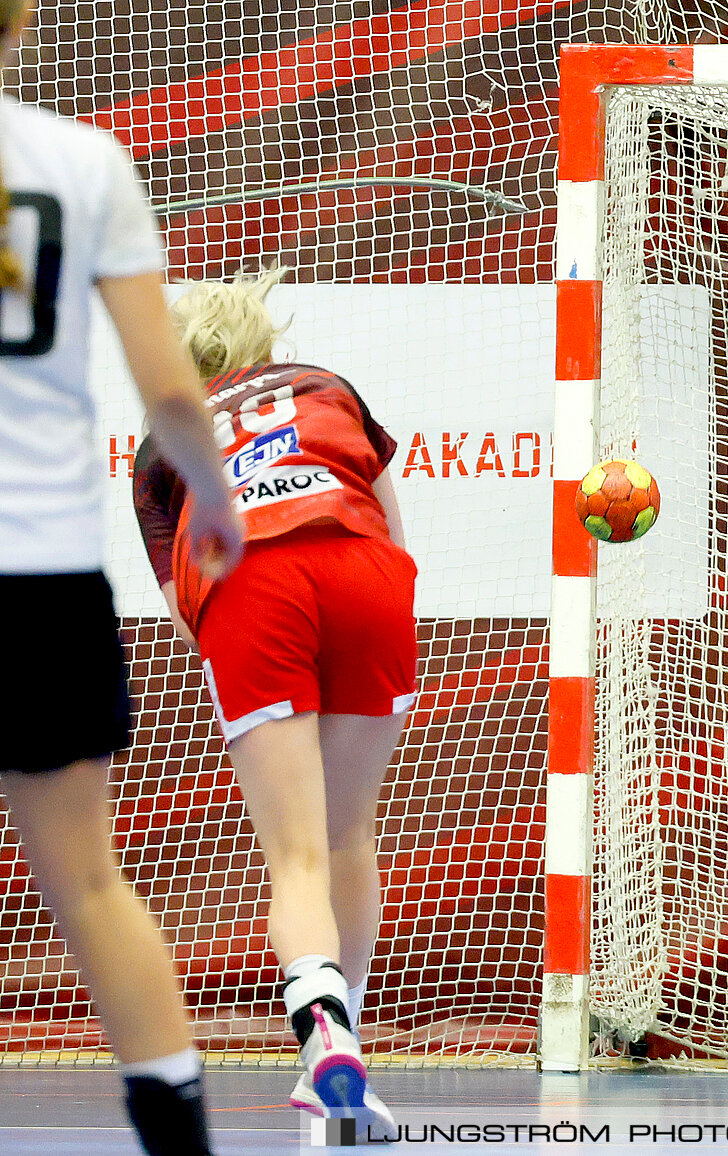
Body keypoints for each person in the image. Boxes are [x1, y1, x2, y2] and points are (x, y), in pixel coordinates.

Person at [0, 1, 244, 1151]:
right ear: (23, 20)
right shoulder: (84, 162)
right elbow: (176, 393)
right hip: (39, 571)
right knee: (89, 885)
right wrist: (219, 502)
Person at [132, 266, 416, 1136]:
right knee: (346, 834)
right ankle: (345, 1032)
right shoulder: (327, 387)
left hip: (252, 589)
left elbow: (190, 610)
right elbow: (393, 533)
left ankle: (324, 1032)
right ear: (262, 341)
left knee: (294, 855)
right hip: (366, 575)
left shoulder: (160, 447)